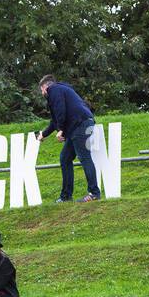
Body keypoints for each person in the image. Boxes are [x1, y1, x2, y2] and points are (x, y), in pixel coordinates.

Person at [37, 75, 101, 203]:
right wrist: (43, 134)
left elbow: (61, 110)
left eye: (41, 90)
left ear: (45, 86)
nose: (42, 93)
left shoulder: (54, 89)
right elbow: (55, 120)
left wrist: (61, 130)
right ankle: (66, 196)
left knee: (84, 157)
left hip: (80, 125)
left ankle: (94, 193)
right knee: (65, 158)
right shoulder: (62, 90)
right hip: (79, 125)